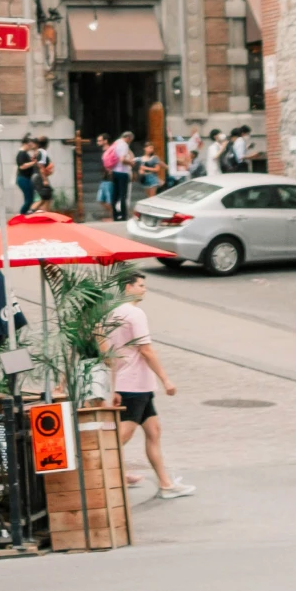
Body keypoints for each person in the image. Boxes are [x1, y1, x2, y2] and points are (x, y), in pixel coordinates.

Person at [105, 270, 193, 499]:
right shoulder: (135, 314)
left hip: (133, 383)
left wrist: (115, 386)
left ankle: (165, 484)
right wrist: (166, 379)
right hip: (135, 385)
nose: (144, 289)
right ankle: (102, 473)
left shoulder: (113, 313)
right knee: (121, 437)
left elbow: (112, 353)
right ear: (128, 287)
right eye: (140, 285)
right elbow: (146, 350)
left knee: (153, 431)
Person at [108, 130, 136, 221]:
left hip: (114, 172)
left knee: (115, 195)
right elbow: (122, 160)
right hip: (123, 173)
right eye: (130, 140)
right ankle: (124, 215)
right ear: (128, 138)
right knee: (123, 195)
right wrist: (131, 163)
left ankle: (115, 215)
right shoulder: (124, 145)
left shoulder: (116, 143)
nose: (130, 142)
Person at [15, 133, 41, 213]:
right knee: (29, 199)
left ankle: (25, 215)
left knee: (29, 199)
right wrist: (33, 163)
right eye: (29, 145)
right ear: (24, 144)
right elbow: (22, 166)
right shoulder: (21, 154)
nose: (30, 147)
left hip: (26, 179)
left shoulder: (25, 154)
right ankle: (21, 215)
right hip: (23, 179)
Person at [94, 132, 113, 220]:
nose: (98, 142)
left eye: (100, 141)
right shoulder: (101, 151)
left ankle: (113, 215)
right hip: (104, 177)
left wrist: (111, 170)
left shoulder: (110, 151)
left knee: (109, 200)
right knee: (101, 199)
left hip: (109, 178)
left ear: (105, 141)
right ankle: (112, 214)